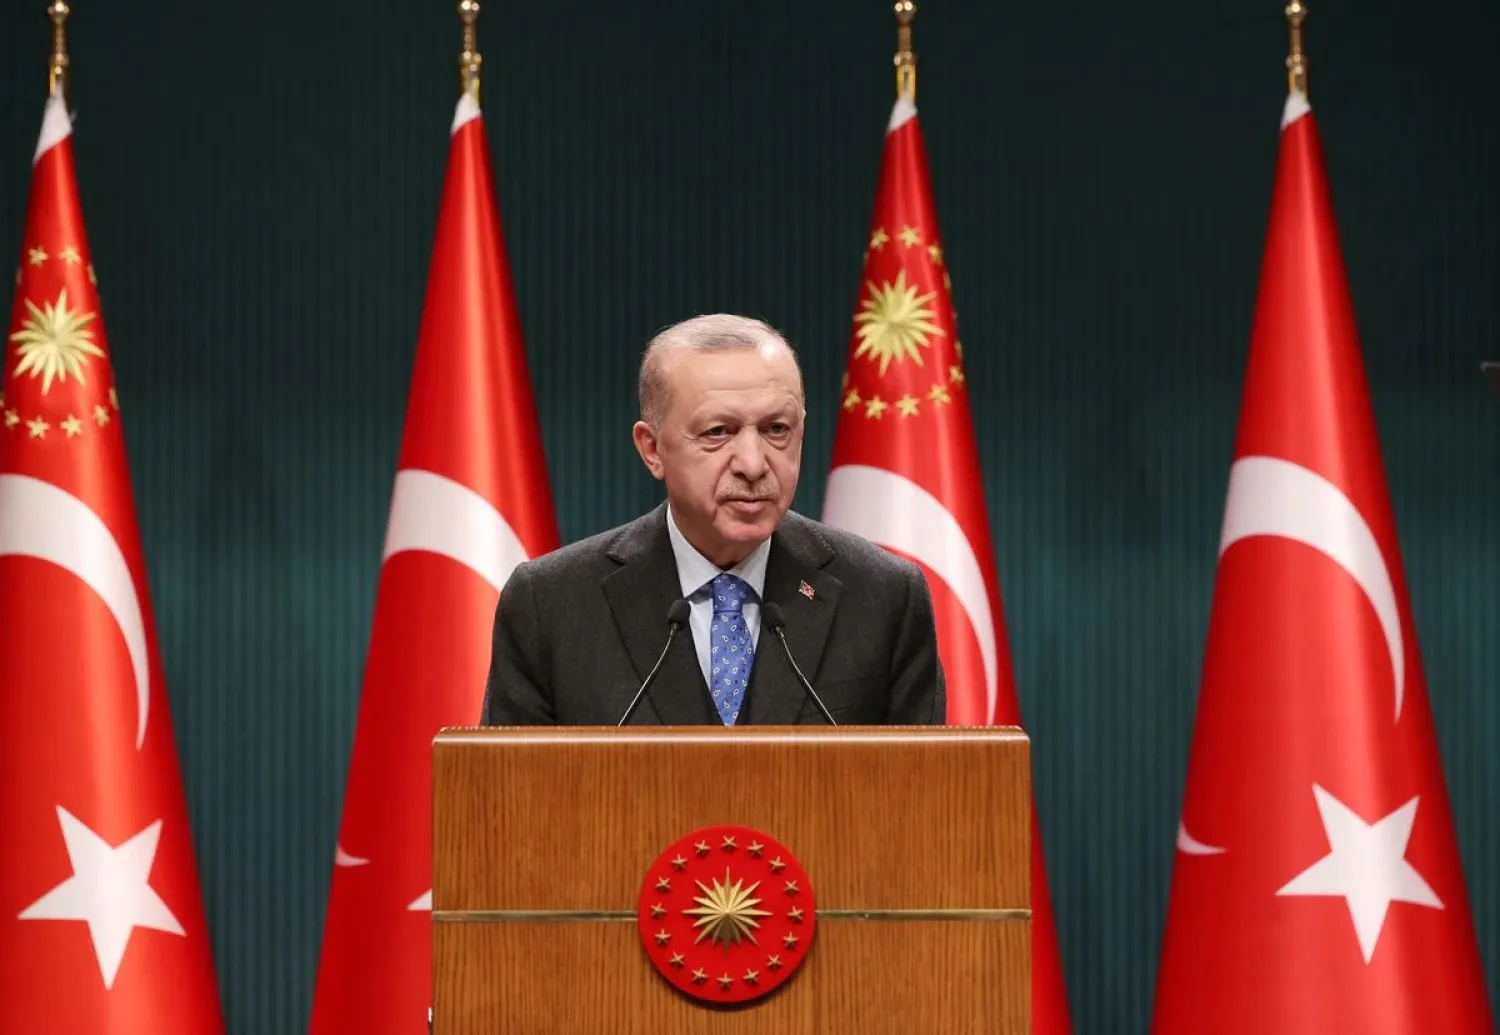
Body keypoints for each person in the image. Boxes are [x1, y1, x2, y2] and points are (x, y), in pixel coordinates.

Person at [479, 313, 946, 726]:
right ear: (652, 449)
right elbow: (511, 808)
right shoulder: (552, 605)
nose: (753, 463)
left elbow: (922, 804)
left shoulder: (883, 597)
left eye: (776, 430)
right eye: (717, 432)